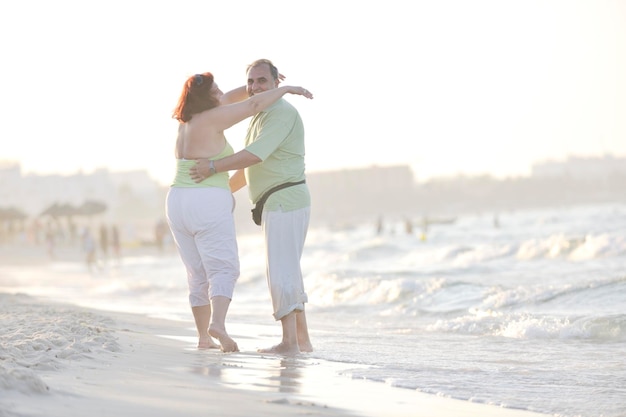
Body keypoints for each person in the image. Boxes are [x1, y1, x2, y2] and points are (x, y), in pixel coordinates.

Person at [166, 71, 312, 352]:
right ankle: (218, 324)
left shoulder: (187, 121)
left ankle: (203, 338)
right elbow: (253, 106)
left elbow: (235, 98)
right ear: (208, 98)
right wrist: (286, 89)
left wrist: (254, 87)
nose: (223, 93)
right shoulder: (213, 118)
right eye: (216, 89)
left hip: (176, 200)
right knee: (224, 268)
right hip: (205, 199)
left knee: (196, 274)